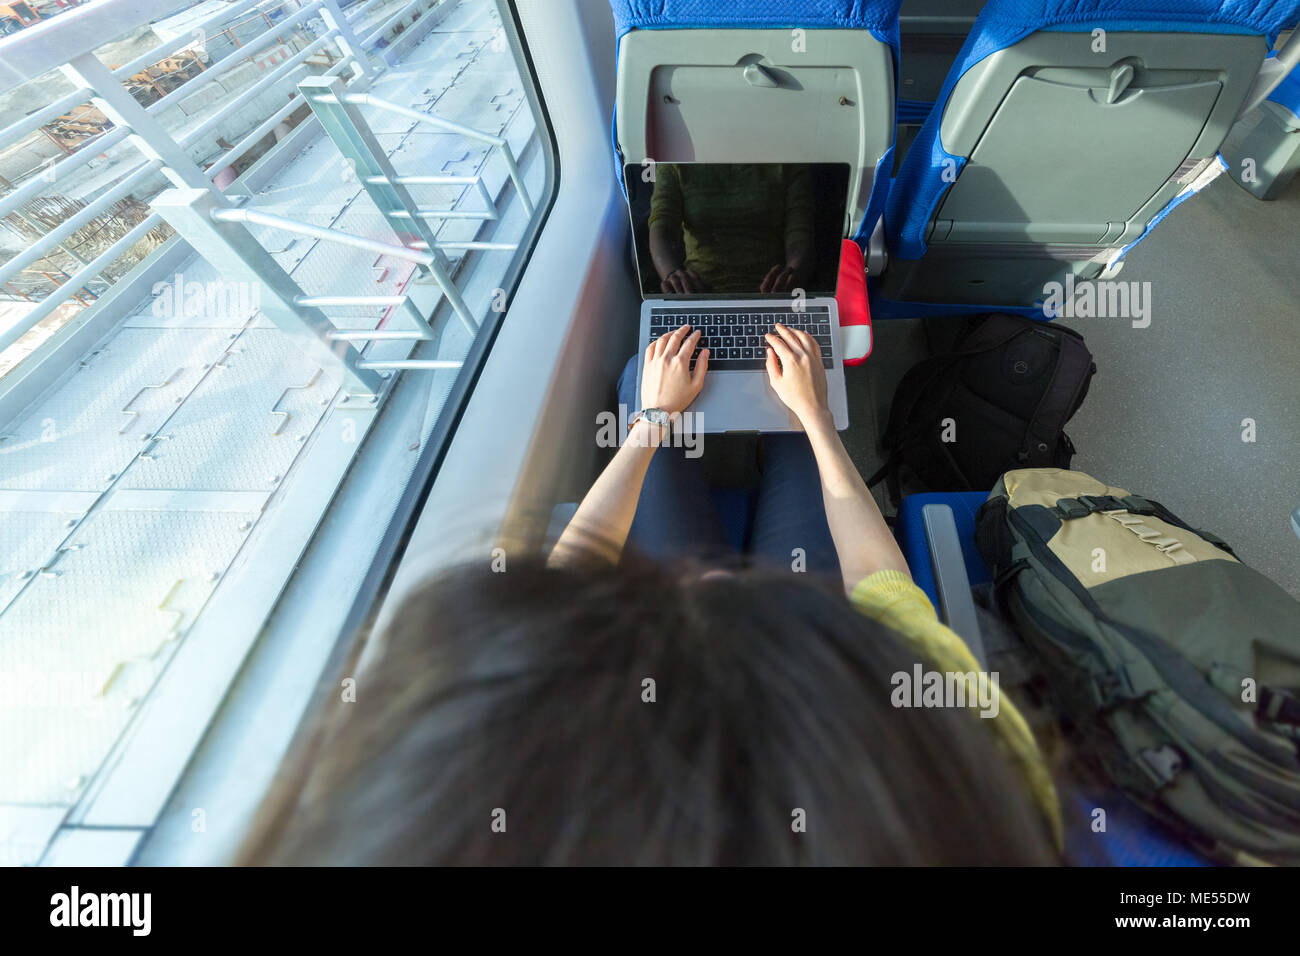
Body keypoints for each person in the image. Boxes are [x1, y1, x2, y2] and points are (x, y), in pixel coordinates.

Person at [237, 325, 1062, 866]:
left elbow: (560, 589)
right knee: (785, 440)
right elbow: (882, 587)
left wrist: (648, 423)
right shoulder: (958, 752)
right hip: (798, 630)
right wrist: (816, 423)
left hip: (767, 639)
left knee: (645, 378)